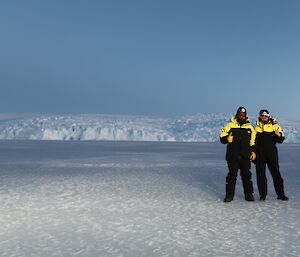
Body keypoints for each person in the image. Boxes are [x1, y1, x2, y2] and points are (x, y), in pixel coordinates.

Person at [220, 107, 256, 202]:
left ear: (246, 116)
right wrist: (227, 138)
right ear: (237, 115)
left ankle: (249, 195)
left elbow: (253, 141)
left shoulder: (250, 127)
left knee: (247, 176)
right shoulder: (229, 125)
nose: (242, 116)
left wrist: (253, 151)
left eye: (243, 115)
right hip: (233, 156)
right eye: (240, 114)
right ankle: (229, 196)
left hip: (245, 156)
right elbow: (222, 137)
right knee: (232, 176)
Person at [254, 109, 288, 201]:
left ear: (268, 116)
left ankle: (281, 194)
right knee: (260, 175)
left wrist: (279, 135)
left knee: (276, 174)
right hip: (260, 155)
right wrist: (252, 153)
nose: (264, 117)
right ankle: (262, 195)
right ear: (260, 116)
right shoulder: (256, 128)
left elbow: (281, 140)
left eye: (266, 115)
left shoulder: (275, 126)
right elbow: (252, 142)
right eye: (262, 115)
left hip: (272, 154)